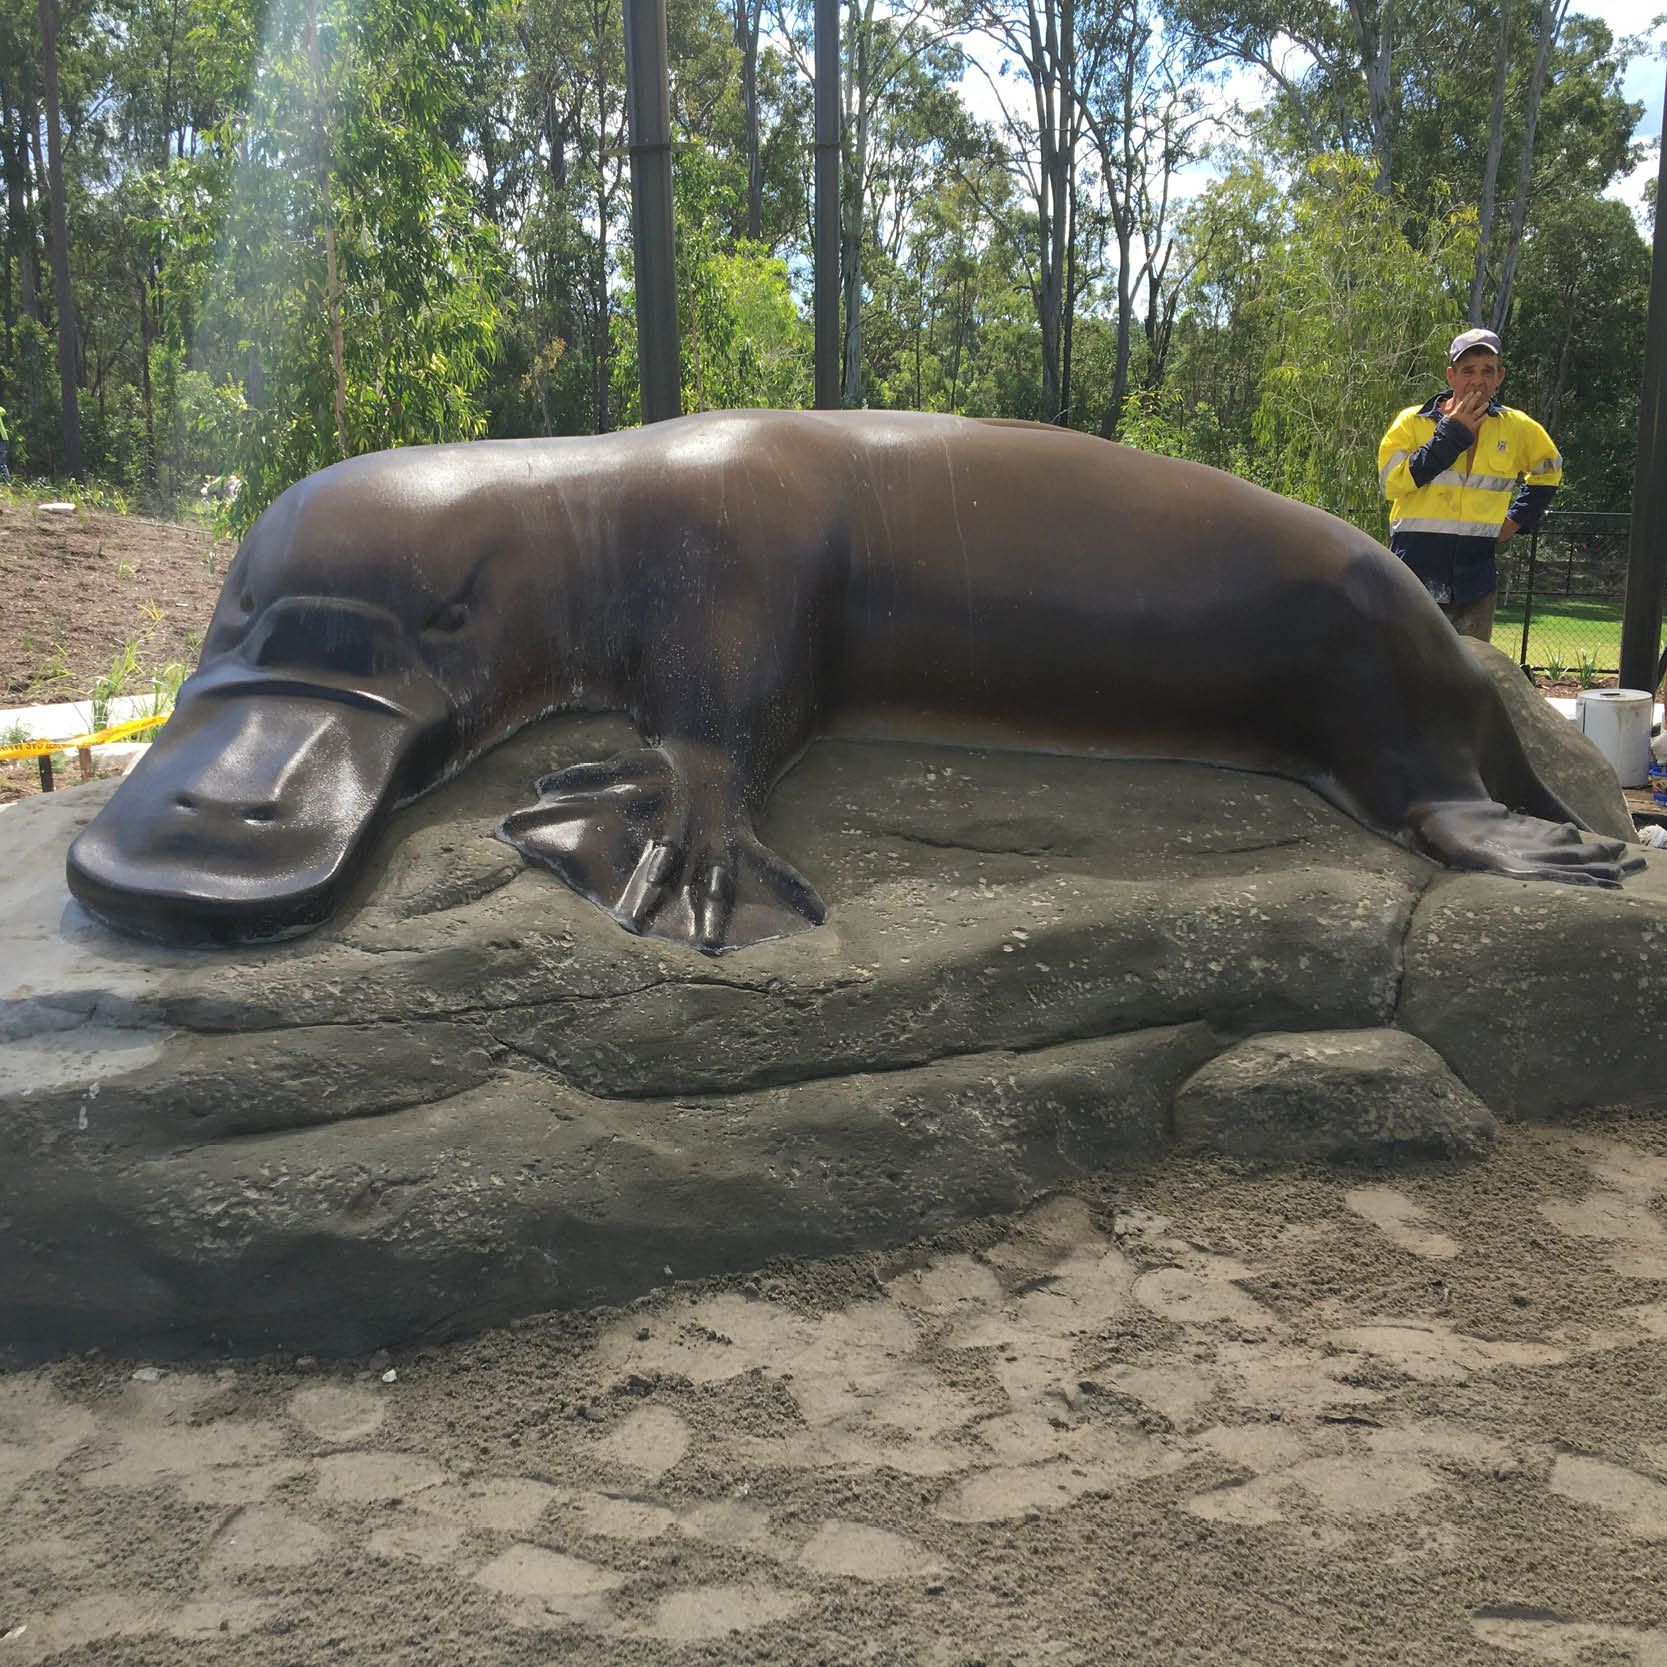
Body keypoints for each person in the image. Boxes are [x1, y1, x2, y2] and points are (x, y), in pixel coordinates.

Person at [1378, 327, 1561, 641]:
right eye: (1468, 370)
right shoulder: (1412, 422)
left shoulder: (1518, 428)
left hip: (1475, 582)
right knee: (1410, 674)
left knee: (1472, 677)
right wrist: (1451, 435)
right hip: (1413, 578)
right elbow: (1391, 485)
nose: (1478, 379)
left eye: (1487, 371)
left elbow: (1550, 469)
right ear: (1451, 376)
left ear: (1499, 377)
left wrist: (1516, 520)